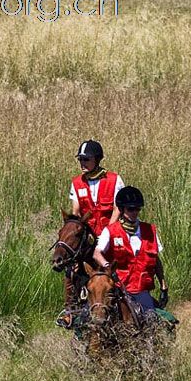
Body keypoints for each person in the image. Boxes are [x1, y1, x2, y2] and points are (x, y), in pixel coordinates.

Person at [56, 140, 125, 328]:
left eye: (86, 159)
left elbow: (117, 209)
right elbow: (76, 211)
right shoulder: (76, 182)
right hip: (87, 235)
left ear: (97, 159)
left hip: (109, 233)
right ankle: (69, 311)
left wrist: (107, 233)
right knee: (71, 266)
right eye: (80, 159)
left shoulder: (114, 179)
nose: (82, 163)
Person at [92, 185, 169, 316]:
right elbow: (96, 253)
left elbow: (156, 261)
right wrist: (107, 266)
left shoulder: (150, 230)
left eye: (137, 209)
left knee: (153, 322)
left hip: (141, 290)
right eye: (131, 209)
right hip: (118, 289)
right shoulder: (110, 231)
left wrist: (163, 285)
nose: (135, 212)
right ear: (121, 209)